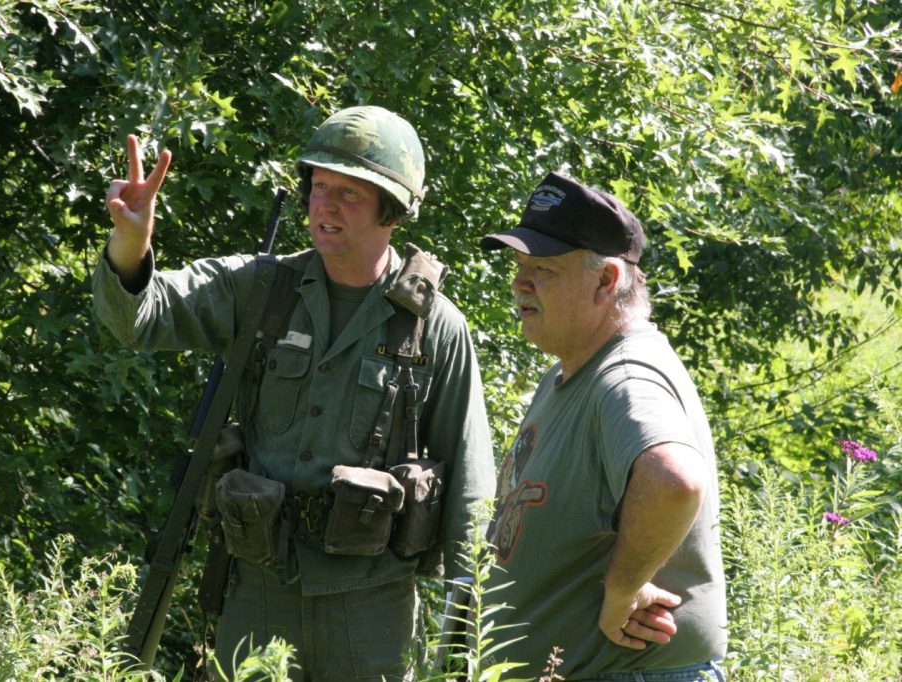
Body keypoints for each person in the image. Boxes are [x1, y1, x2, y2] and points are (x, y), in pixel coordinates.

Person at [92, 105, 496, 681]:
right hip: (258, 592)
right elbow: (139, 319)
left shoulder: (435, 328)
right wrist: (130, 241)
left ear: (393, 211)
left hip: (371, 609)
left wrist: (462, 650)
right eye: (319, 186)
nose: (325, 206)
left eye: (350, 194)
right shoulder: (262, 288)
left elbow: (470, 496)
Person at [478, 172, 728, 681]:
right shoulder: (574, 369)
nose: (519, 283)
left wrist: (623, 589)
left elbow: (674, 479)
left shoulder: (625, 375)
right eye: (519, 266)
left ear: (606, 281)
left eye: (542, 268)